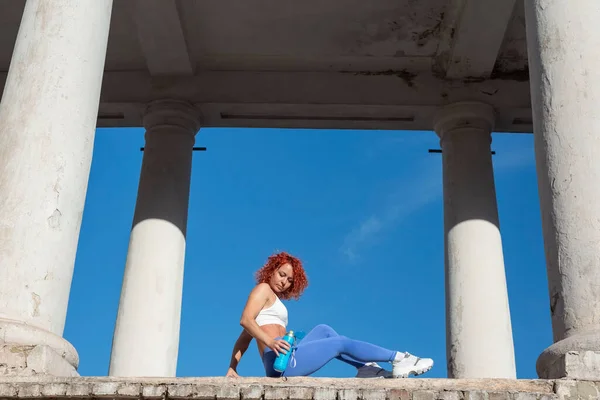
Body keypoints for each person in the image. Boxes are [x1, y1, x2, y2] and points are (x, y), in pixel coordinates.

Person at [226, 252, 434, 378]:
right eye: (282, 274)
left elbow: (245, 338)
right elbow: (246, 321)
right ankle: (398, 358)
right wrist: (271, 342)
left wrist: (232, 368)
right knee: (339, 343)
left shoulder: (274, 300)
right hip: (280, 363)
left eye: (289, 280)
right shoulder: (262, 289)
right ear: (271, 270)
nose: (284, 282)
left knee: (324, 330)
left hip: (287, 354)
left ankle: (365, 368)